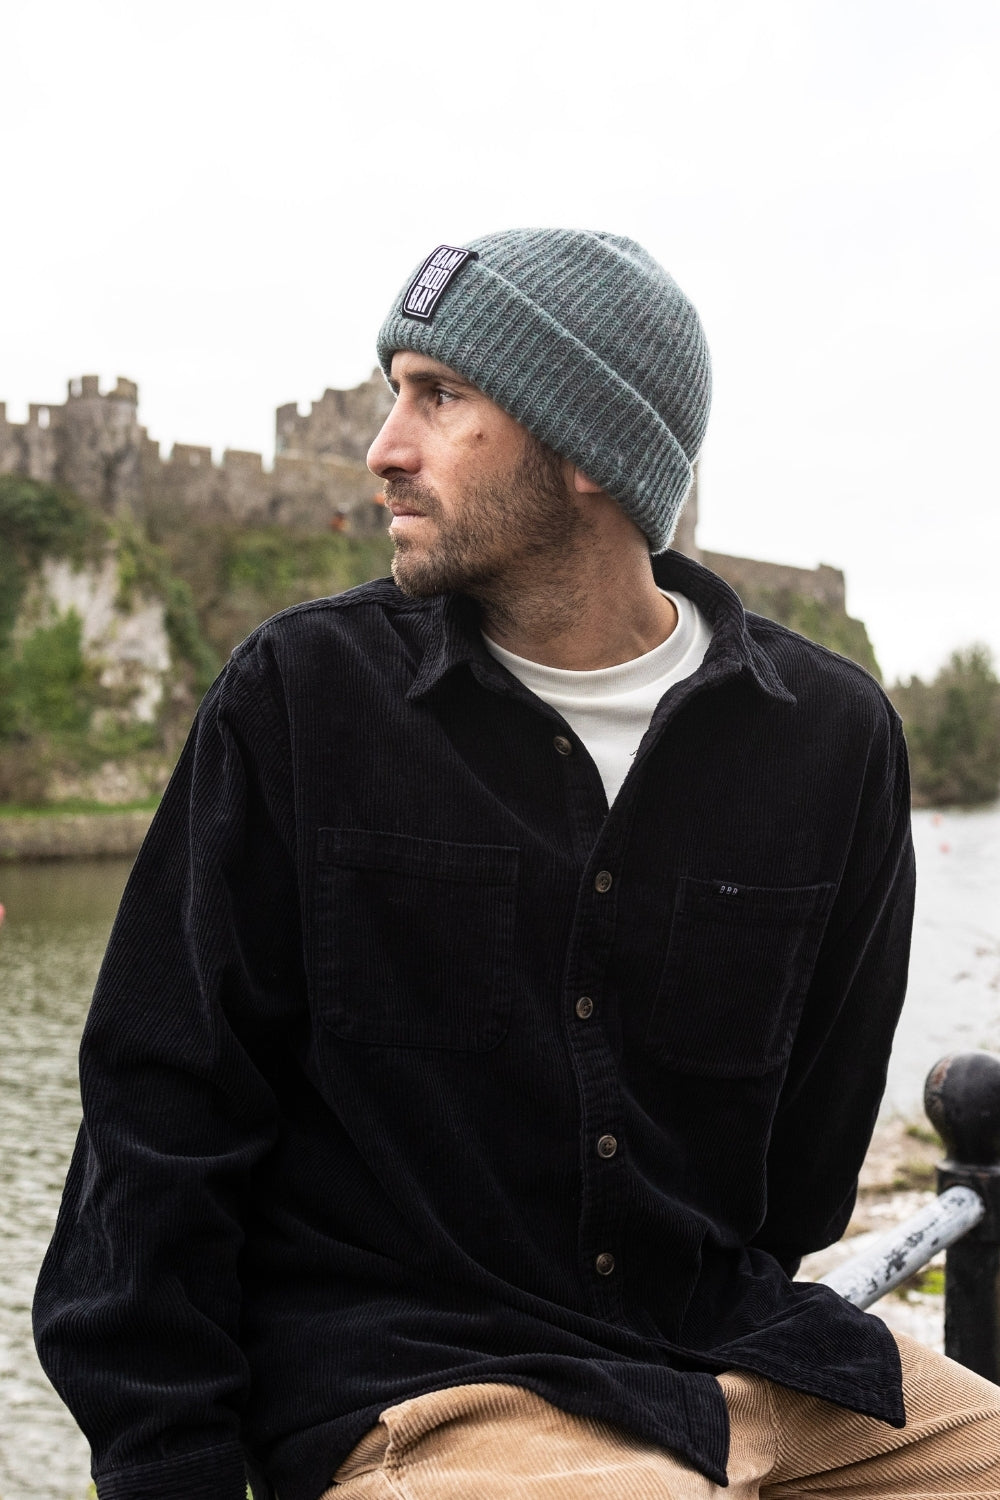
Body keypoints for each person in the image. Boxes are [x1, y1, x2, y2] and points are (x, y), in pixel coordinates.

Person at [34, 229, 1000, 1500]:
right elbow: (155, 1130)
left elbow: (804, 1170)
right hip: (420, 1395)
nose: (383, 446)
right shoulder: (305, 699)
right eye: (392, 393)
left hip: (731, 1361)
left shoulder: (830, 741)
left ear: (589, 449)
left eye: (441, 398)